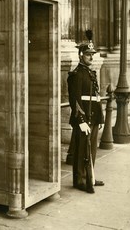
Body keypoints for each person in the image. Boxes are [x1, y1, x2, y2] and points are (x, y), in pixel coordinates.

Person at [67, 30, 105, 194]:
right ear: (81, 55)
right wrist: (81, 120)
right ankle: (80, 180)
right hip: (83, 118)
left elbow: (96, 97)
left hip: (93, 117)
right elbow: (74, 100)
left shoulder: (91, 73)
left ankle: (90, 176)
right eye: (88, 54)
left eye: (92, 54)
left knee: (91, 149)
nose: (91, 57)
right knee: (82, 149)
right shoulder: (76, 74)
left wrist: (101, 117)